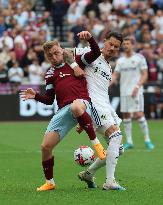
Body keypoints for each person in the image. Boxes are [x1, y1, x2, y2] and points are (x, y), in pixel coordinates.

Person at [20, 31, 106, 191]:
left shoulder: (78, 61)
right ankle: (50, 182)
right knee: (45, 147)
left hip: (81, 103)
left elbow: (96, 53)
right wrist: (35, 96)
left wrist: (90, 39)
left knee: (75, 106)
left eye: (56, 53)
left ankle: (97, 146)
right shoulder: (50, 74)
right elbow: (49, 99)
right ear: (46, 57)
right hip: (62, 111)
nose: (54, 57)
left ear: (62, 50)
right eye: (50, 55)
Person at [70, 31, 125, 190]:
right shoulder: (89, 54)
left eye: (116, 46)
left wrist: (84, 118)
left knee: (118, 148)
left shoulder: (108, 67)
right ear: (104, 41)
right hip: (93, 104)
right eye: (110, 44)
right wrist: (74, 66)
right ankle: (110, 181)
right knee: (116, 136)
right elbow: (64, 53)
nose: (112, 48)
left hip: (104, 106)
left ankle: (89, 173)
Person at [111, 36, 154, 150]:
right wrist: (108, 83)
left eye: (128, 43)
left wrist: (137, 86)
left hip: (136, 91)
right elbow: (115, 75)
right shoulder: (120, 60)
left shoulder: (139, 58)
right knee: (126, 116)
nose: (125, 46)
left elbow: (145, 74)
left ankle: (147, 140)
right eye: (124, 44)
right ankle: (129, 141)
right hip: (124, 92)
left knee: (139, 114)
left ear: (133, 45)